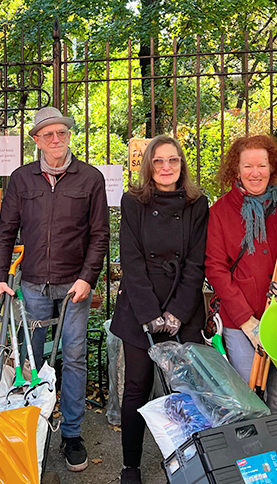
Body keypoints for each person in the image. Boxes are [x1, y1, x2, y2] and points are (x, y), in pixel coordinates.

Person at [0, 106, 110, 472]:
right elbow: (6, 229)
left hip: (74, 284)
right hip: (33, 286)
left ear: (68, 135)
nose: (55, 140)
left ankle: (72, 434)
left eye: (61, 133)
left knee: (73, 357)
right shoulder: (22, 179)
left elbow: (100, 234)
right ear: (37, 140)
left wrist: (88, 278)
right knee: (33, 361)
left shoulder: (90, 178)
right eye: (48, 135)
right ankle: (32, 427)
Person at [110, 135, 209, 484]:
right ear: (149, 166)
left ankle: (187, 462)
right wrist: (150, 314)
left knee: (184, 389)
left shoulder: (198, 204)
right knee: (137, 385)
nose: (167, 168)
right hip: (140, 305)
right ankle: (130, 465)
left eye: (173, 161)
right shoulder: (133, 202)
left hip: (184, 305)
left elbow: (197, 263)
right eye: (159, 161)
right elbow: (131, 261)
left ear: (182, 165)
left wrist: (177, 313)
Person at [205, 134, 277, 414]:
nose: (255, 173)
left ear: (273, 168)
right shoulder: (220, 211)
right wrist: (247, 322)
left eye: (262, 166)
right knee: (250, 397)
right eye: (248, 166)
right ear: (237, 169)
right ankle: (253, 456)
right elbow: (216, 268)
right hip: (241, 324)